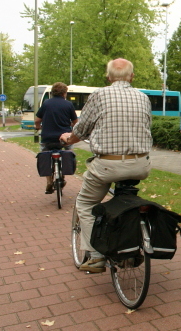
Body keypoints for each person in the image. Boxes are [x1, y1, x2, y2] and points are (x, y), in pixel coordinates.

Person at [60, 58, 153, 272]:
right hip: (141, 164)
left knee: (84, 203)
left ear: (109, 77)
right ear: (132, 76)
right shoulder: (143, 98)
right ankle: (129, 243)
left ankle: (95, 255)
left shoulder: (99, 95)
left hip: (108, 165)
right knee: (125, 195)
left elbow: (81, 129)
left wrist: (68, 138)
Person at [34, 82, 78, 194]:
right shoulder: (68, 105)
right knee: (68, 152)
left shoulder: (46, 103)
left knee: (45, 154)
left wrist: (38, 127)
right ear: (64, 93)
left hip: (47, 138)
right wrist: (72, 128)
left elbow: (37, 120)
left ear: (52, 92)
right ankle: (62, 176)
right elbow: (75, 122)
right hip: (64, 138)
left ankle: (49, 181)